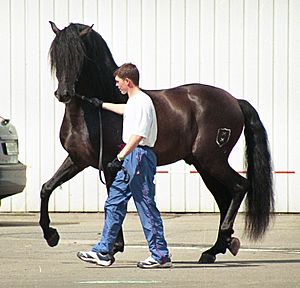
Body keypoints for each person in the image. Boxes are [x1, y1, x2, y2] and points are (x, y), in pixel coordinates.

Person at [77, 63, 172, 269]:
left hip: (138, 157)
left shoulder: (143, 102)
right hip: (131, 158)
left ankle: (160, 255)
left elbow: (139, 135)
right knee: (114, 202)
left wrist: (120, 157)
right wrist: (101, 104)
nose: (117, 85)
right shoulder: (134, 102)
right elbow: (125, 110)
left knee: (145, 205)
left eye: (118, 82)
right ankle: (103, 251)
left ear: (128, 81)